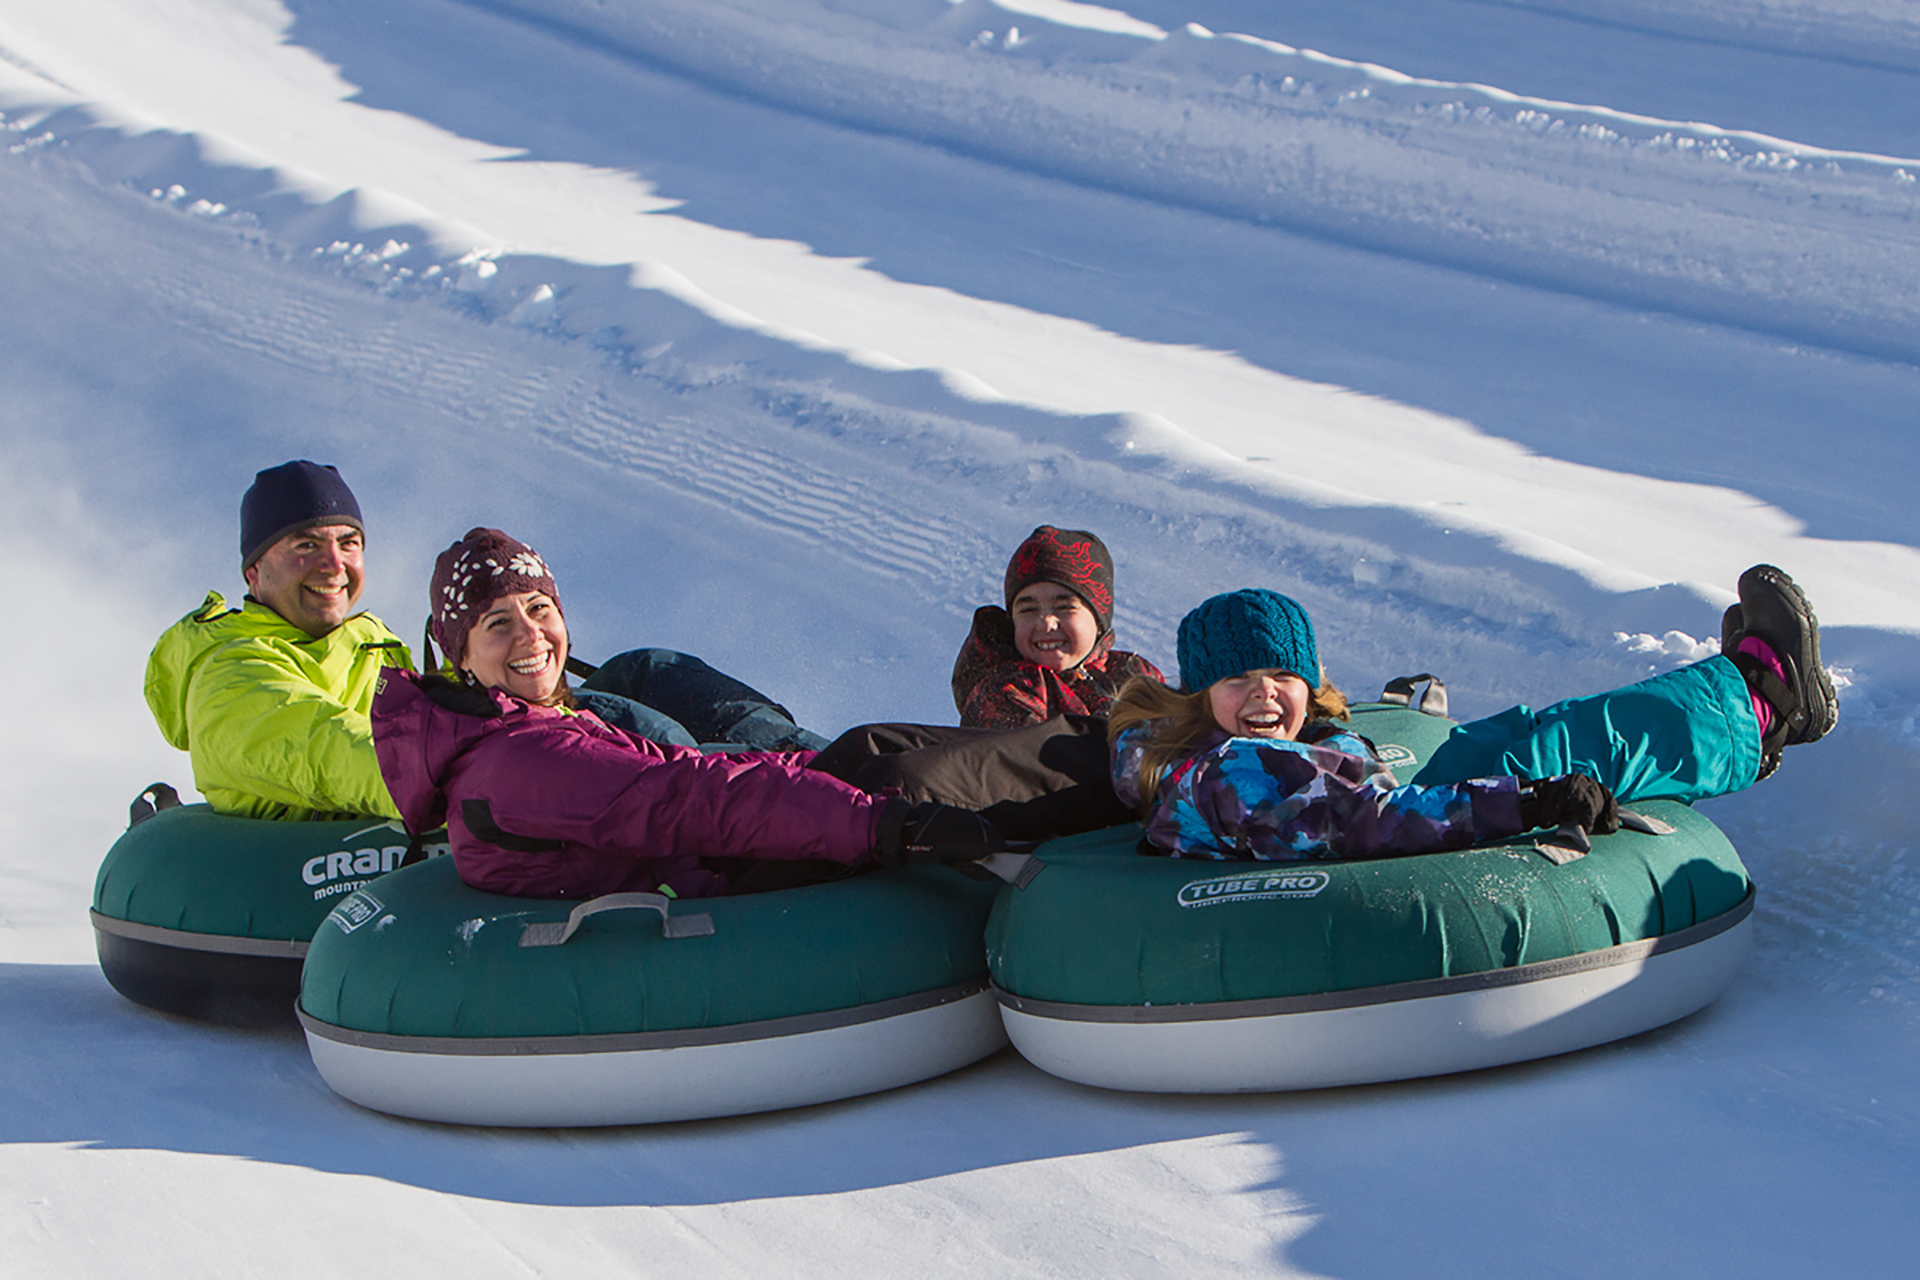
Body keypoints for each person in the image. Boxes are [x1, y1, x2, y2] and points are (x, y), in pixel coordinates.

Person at [373, 528, 1001, 899]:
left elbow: (681, 775)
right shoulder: (521, 756)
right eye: (498, 624)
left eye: (540, 609)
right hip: (708, 871)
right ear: (460, 656)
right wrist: (879, 823)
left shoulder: (523, 726)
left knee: (868, 754)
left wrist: (808, 767)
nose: (532, 636)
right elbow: (688, 797)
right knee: (888, 766)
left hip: (690, 829)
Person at [1109, 567, 1837, 862]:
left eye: (1283, 675)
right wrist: (1524, 804)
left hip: (1366, 800)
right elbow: (1364, 821)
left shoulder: (1239, 749)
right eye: (1237, 679)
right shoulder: (1234, 769)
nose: (1264, 694)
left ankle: (1740, 700)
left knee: (1520, 727)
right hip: (1378, 846)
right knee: (1550, 754)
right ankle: (1764, 704)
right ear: (1200, 697)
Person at [145, 461, 413, 821]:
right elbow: (332, 753)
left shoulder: (377, 653)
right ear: (253, 573)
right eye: (307, 545)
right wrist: (491, 792)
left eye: (349, 544)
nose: (335, 565)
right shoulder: (228, 675)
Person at [951, 525, 1163, 729]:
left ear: (1099, 621)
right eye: (1028, 610)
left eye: (1065, 607)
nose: (1046, 622)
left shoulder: (1134, 676)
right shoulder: (1007, 690)